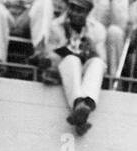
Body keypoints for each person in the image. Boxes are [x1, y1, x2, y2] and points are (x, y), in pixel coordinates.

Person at [35, 0, 107, 137]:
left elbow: (103, 62)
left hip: (85, 71)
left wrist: (91, 48)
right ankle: (80, 106)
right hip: (65, 69)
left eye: (79, 10)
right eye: (72, 8)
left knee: (97, 63)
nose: (74, 13)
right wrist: (67, 47)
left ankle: (85, 106)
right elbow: (50, 57)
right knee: (73, 60)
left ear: (87, 12)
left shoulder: (98, 30)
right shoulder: (56, 25)